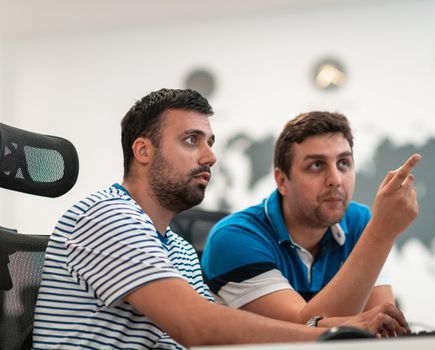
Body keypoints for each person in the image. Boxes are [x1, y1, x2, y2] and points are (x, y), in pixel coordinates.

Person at [32, 90, 411, 349]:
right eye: (191, 140)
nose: (210, 157)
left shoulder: (176, 247)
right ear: (143, 151)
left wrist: (341, 327)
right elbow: (197, 327)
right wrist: (327, 336)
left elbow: (217, 326)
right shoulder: (107, 215)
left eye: (209, 143)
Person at [201, 111, 421, 329]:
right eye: (316, 165)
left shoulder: (360, 221)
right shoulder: (234, 238)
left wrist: (377, 231)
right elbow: (300, 332)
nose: (335, 180)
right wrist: (381, 233)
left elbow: (382, 328)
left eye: (343, 163)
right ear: (282, 180)